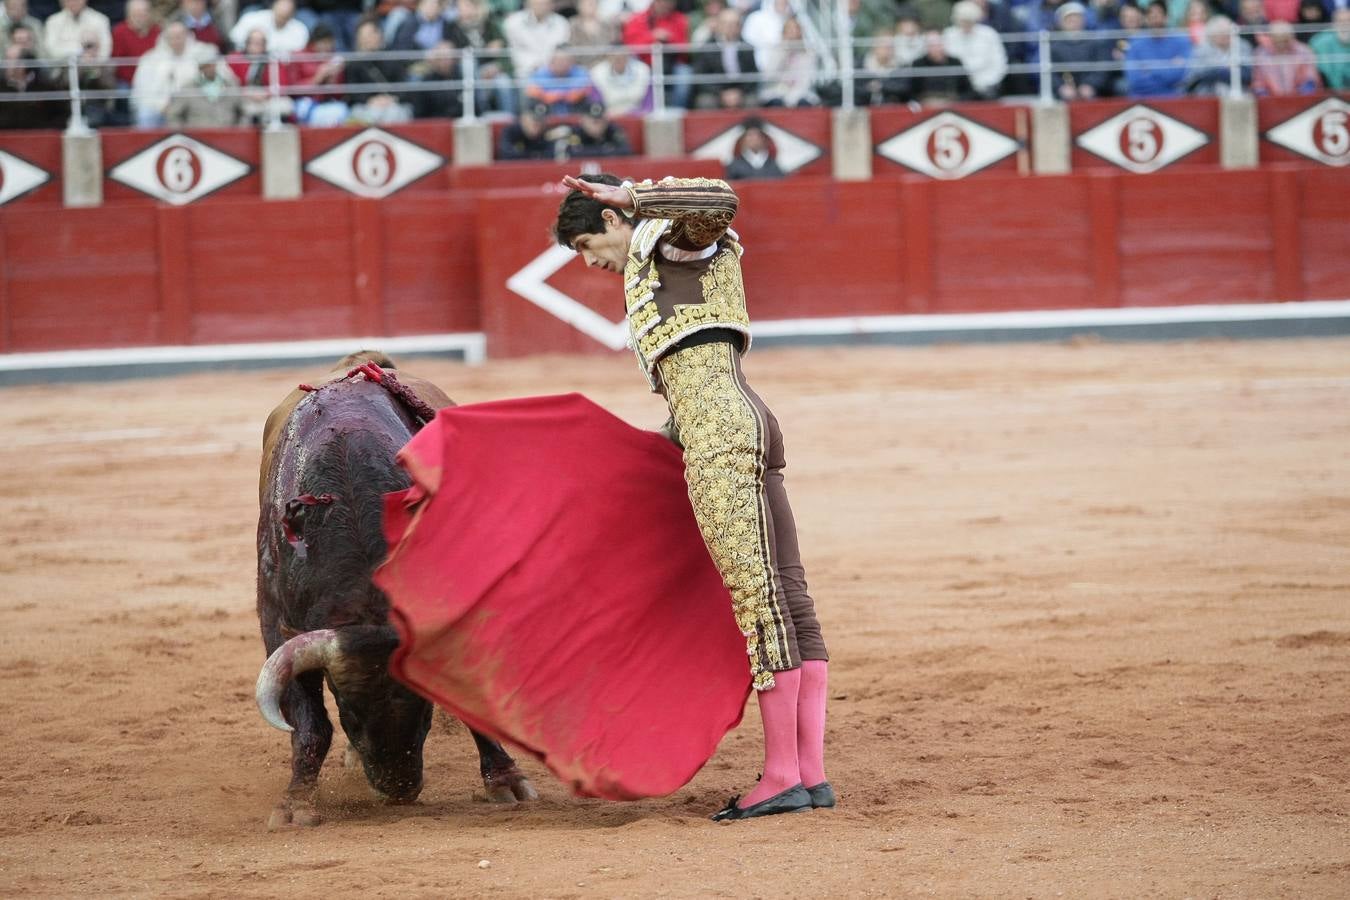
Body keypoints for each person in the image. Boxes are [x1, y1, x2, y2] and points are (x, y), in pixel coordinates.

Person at [552, 173, 832, 821]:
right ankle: (810, 773)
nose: (591, 261)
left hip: (720, 438)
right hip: (737, 422)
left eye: (590, 242)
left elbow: (720, 201)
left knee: (763, 605)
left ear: (615, 220)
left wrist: (632, 196)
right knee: (789, 598)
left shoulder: (671, 243)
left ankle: (785, 775)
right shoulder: (657, 265)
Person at [130, 20, 201, 127]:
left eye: (179, 36)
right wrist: (161, 105)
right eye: (172, 37)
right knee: (146, 114)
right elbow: (141, 92)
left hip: (192, 106)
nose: (176, 41)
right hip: (158, 107)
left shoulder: (201, 54)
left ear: (186, 36)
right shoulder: (150, 59)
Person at [622, 0, 691, 107]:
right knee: (639, 73)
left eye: (670, 2)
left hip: (672, 65)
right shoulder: (637, 19)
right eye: (662, 2)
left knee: (685, 74)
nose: (666, 4)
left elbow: (684, 48)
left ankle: (676, 111)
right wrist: (652, 37)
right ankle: (646, 110)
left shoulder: (680, 19)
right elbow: (631, 47)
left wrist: (669, 38)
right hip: (644, 64)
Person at [691, 7, 758, 109]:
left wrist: (739, 93)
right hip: (716, 91)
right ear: (719, 25)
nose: (730, 27)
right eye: (726, 24)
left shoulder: (747, 48)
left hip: (741, 90)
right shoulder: (707, 48)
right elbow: (700, 77)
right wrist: (721, 94)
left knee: (753, 101)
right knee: (705, 102)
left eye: (735, 24)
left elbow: (753, 75)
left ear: (740, 27)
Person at [1124, 0, 1191, 95]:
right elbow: (1134, 80)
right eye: (1151, 15)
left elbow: (1183, 75)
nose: (1155, 19)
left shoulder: (1181, 40)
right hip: (1141, 100)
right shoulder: (1135, 43)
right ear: (1146, 19)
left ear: (1166, 17)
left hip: (1174, 99)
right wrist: (1169, 67)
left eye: (1158, 14)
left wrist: (1149, 69)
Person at [1049, 1, 1112, 99]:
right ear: (1061, 23)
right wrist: (1061, 87)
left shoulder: (1096, 43)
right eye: (1069, 19)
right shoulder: (1054, 47)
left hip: (1094, 91)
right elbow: (1051, 72)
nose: (1074, 22)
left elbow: (1102, 68)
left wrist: (1091, 84)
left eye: (1077, 18)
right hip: (1063, 94)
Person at [942, 0, 1006, 98]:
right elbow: (945, 63)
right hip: (956, 86)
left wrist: (985, 82)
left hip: (987, 85)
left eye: (969, 21)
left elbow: (999, 64)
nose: (966, 24)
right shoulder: (948, 35)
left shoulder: (989, 34)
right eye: (963, 20)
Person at [165, 45, 239, 124]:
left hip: (228, 133)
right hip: (197, 133)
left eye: (211, 65)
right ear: (199, 68)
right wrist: (182, 134)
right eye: (204, 66)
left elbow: (244, 112)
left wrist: (240, 132)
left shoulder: (230, 85)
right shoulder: (188, 88)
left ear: (216, 65)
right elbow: (173, 115)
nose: (208, 68)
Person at [1183, 13, 1250, 92]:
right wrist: (1225, 70)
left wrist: (1215, 72)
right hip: (1206, 95)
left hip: (1238, 95)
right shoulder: (1201, 50)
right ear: (1211, 35)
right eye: (1220, 33)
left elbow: (1246, 76)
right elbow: (1196, 77)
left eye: (1228, 33)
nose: (1225, 36)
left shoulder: (1242, 46)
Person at [1251, 19, 1321, 92]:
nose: (1281, 44)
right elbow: (1258, 80)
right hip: (1271, 99)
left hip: (1299, 97)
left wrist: (1307, 86)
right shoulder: (1260, 53)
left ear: (1292, 37)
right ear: (1271, 38)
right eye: (1278, 41)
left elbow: (1310, 76)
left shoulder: (1304, 51)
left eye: (1285, 41)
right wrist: (1261, 90)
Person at [524, 46, 591, 112]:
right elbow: (531, 90)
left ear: (571, 62)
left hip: (575, 106)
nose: (561, 64)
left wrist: (563, 96)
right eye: (558, 61)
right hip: (547, 108)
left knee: (593, 109)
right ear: (551, 62)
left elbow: (586, 89)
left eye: (565, 61)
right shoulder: (540, 73)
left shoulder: (580, 72)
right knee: (533, 109)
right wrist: (547, 96)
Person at [409, 39, 465, 118]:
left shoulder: (463, 79)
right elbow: (419, 114)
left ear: (454, 60)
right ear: (434, 60)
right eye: (441, 58)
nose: (445, 62)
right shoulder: (426, 82)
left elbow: (475, 109)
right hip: (434, 124)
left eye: (448, 58)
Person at [229, 0, 308, 56]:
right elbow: (235, 38)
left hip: (283, 68)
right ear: (273, 7)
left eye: (285, 17)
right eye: (279, 15)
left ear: (292, 15)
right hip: (249, 60)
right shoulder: (251, 18)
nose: (281, 19)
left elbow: (297, 55)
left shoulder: (300, 30)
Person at [589, 47, 652, 114]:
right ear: (608, 58)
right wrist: (604, 113)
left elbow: (648, 102)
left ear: (628, 57)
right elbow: (596, 101)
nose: (618, 60)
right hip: (609, 114)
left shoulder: (642, 70)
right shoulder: (597, 72)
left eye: (622, 57)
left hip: (637, 113)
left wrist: (638, 113)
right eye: (614, 57)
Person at [110, 0, 156, 86]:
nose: (139, 18)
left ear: (149, 14)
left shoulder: (157, 31)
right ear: (128, 15)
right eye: (136, 14)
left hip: (153, 80)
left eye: (143, 14)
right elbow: (117, 65)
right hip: (127, 81)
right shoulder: (119, 32)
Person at [44, 0, 110, 59]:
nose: (73, 2)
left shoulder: (100, 20)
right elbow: (51, 52)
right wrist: (82, 50)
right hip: (61, 70)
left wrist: (66, 46)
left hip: (94, 69)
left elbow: (105, 53)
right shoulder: (53, 21)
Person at [565, 100, 631, 156]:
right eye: (594, 122)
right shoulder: (575, 132)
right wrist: (606, 150)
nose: (598, 125)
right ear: (582, 120)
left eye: (601, 121)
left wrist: (586, 150)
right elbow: (572, 153)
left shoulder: (613, 130)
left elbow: (626, 151)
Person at [1309, 7, 1350, 89]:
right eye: (1340, 21)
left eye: (1348, 21)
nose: (1345, 25)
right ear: (1333, 23)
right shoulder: (1318, 41)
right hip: (1328, 90)